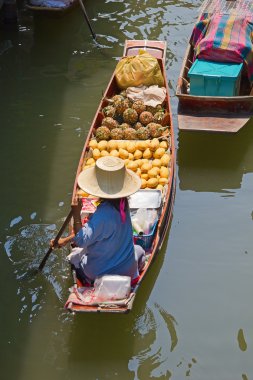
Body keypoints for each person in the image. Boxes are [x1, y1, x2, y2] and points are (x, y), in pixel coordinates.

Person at [51, 156, 145, 283]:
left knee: (74, 256)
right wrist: (65, 240)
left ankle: (88, 281)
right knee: (138, 250)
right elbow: (97, 230)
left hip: (100, 273)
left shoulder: (103, 214)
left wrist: (77, 214)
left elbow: (81, 240)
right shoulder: (123, 204)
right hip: (127, 270)